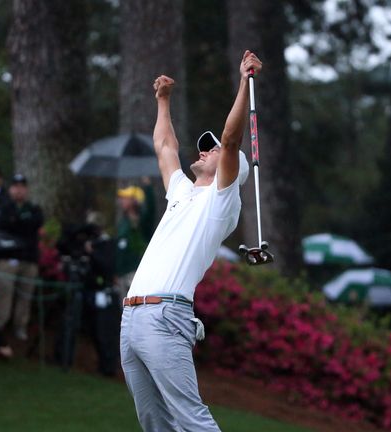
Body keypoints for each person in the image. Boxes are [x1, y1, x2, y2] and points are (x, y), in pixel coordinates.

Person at [120, 50, 259, 431]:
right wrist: (162, 101)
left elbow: (231, 141)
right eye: (205, 146)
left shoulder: (222, 200)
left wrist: (244, 82)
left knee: (191, 419)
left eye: (211, 149)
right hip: (131, 318)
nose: (205, 150)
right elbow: (165, 147)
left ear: (230, 168)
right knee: (154, 423)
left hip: (166, 316)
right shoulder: (181, 190)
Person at [0, 174, 44, 340]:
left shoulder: (34, 208)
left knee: (25, 296)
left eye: (22, 186)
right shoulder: (3, 207)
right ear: (10, 188)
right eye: (16, 186)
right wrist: (20, 223)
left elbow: (35, 223)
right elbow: (4, 225)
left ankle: (20, 327)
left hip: (29, 259)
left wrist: (18, 222)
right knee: (4, 294)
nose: (19, 190)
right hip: (8, 258)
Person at [114, 178, 155, 299]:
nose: (122, 201)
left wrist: (148, 187)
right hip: (122, 274)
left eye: (125, 198)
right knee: (124, 311)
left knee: (135, 308)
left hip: (136, 273)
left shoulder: (142, 222)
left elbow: (151, 209)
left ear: (134, 200)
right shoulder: (123, 222)